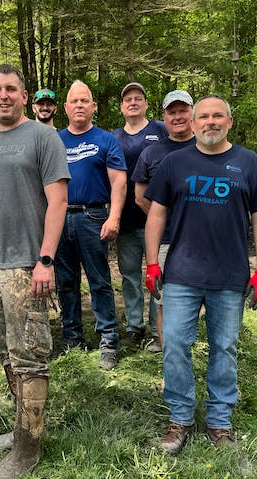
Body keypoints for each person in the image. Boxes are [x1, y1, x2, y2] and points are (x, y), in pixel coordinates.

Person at [144, 94, 257, 455]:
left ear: (229, 122)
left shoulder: (248, 163)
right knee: (174, 344)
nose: (210, 122)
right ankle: (180, 418)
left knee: (224, 347)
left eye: (217, 116)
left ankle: (220, 422)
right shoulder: (174, 163)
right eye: (203, 116)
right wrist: (152, 262)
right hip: (181, 274)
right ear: (192, 123)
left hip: (229, 276)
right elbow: (156, 214)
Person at [0, 64, 69, 479]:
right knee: (4, 351)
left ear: (25, 95)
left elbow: (59, 201)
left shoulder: (43, 137)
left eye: (11, 89)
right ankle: (21, 429)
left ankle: (27, 451)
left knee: (30, 356)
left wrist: (45, 259)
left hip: (26, 264)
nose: (3, 96)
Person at [55, 80, 127, 370]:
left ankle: (108, 340)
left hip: (94, 216)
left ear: (93, 106)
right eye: (75, 101)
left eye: (85, 101)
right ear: (66, 107)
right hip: (59, 218)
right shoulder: (55, 140)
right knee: (66, 283)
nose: (80, 106)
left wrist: (114, 217)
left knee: (99, 282)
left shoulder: (106, 140)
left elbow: (119, 181)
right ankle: (72, 338)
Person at [132, 89, 197, 354]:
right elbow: (139, 196)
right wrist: (167, 220)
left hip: (204, 241)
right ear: (164, 117)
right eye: (172, 112)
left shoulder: (207, 147)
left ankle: (189, 341)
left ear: (192, 113)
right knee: (164, 298)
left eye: (183, 110)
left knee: (202, 294)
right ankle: (166, 345)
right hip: (167, 239)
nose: (178, 116)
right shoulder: (152, 153)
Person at [111, 81, 166, 350]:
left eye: (138, 98)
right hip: (126, 220)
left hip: (158, 219)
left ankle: (159, 330)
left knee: (158, 276)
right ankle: (134, 326)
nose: (133, 102)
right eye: (128, 99)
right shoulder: (114, 138)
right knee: (130, 275)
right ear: (122, 107)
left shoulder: (161, 130)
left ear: (145, 104)